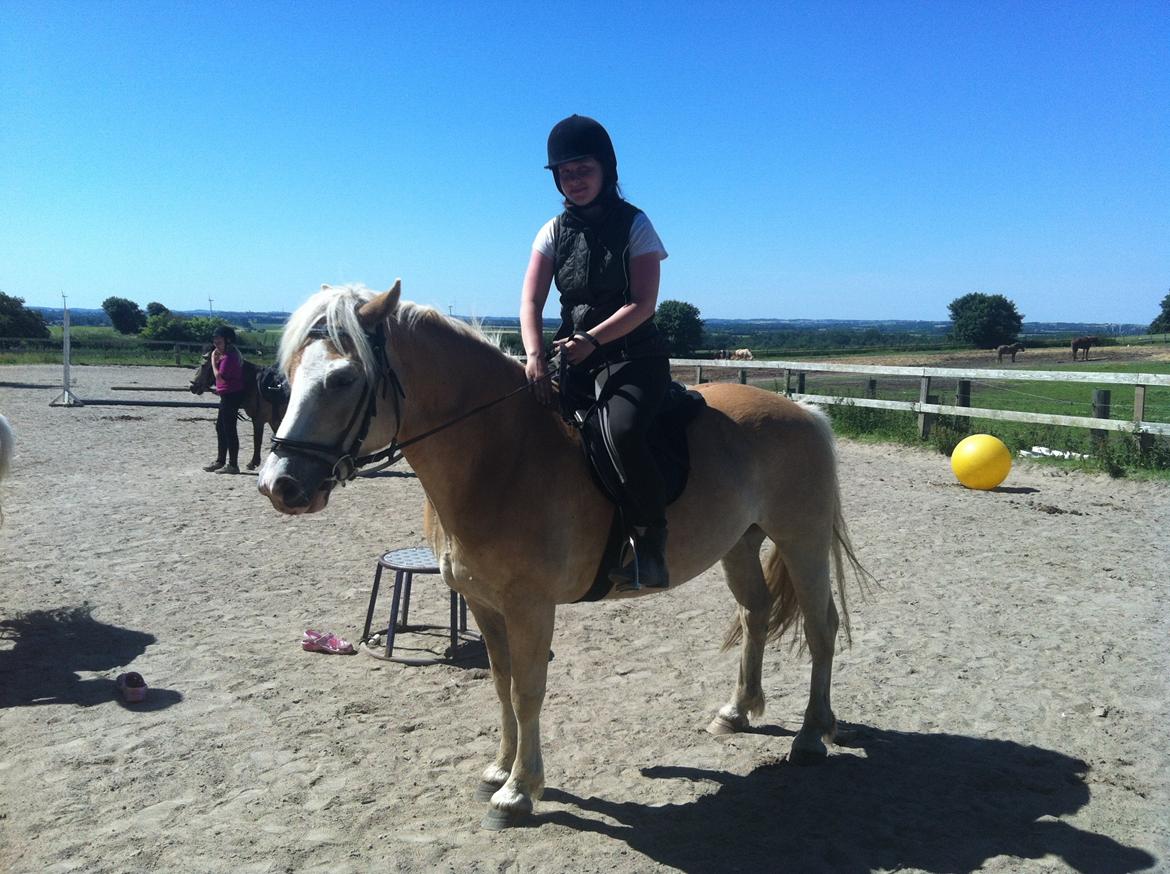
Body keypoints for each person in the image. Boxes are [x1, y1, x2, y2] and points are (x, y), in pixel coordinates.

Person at [520, 114, 671, 591]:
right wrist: (535, 355)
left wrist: (592, 341)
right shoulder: (551, 231)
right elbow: (531, 300)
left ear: (605, 168)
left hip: (633, 358)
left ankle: (651, 542)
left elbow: (642, 304)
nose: (574, 180)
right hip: (574, 358)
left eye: (583, 169)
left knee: (621, 433)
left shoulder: (636, 225)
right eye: (565, 173)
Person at [203, 325, 246, 474]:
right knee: (221, 428)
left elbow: (219, 376)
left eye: (219, 341)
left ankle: (233, 464)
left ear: (228, 341)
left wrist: (213, 362)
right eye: (215, 341)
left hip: (231, 396)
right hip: (227, 395)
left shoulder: (229, 357)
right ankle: (220, 461)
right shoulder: (229, 355)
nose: (216, 344)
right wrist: (220, 391)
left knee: (229, 429)